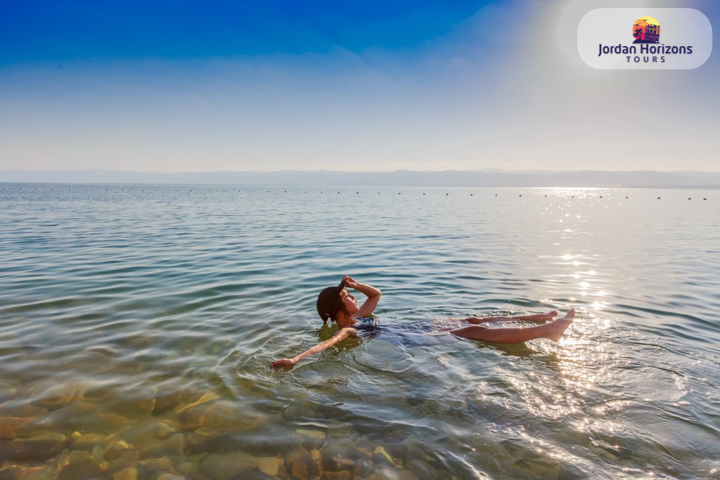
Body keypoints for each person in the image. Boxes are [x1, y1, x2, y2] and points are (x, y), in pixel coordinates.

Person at [271, 275, 575, 369]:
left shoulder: (359, 316)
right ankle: (547, 331)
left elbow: (376, 294)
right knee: (470, 330)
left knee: (469, 319)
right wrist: (296, 358)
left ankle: (536, 318)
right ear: (340, 306)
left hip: (410, 328)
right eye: (349, 296)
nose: (354, 297)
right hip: (408, 340)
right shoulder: (350, 327)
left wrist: (358, 284)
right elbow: (329, 342)